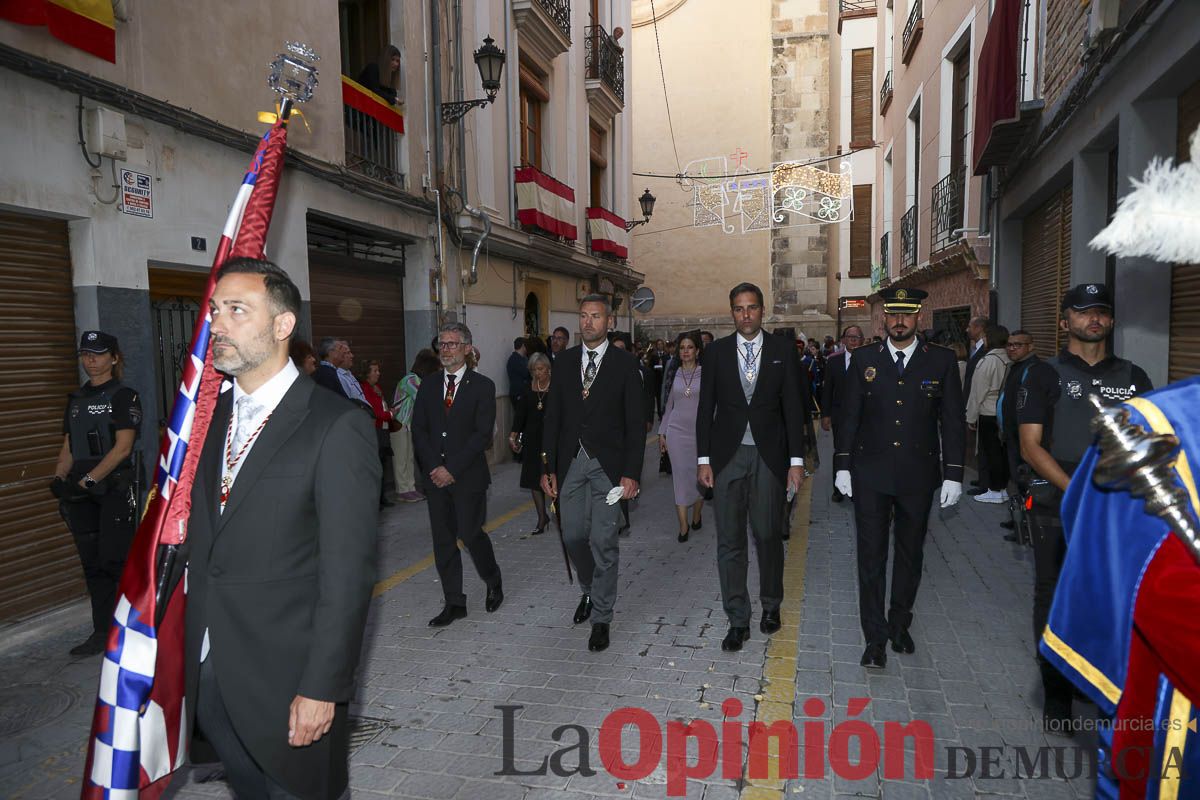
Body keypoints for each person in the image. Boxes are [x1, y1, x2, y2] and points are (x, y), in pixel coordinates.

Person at [185, 257, 379, 799]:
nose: (216, 325)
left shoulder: (337, 425)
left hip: (287, 681)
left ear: (282, 325)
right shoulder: (207, 422)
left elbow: (347, 577)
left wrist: (322, 689)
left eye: (236, 310)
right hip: (210, 672)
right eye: (215, 310)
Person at [1016, 282, 1152, 726]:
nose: (1093, 318)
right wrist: (1077, 490)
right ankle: (1055, 690)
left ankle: (1093, 681)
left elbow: (1146, 444)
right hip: (1059, 501)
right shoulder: (1042, 374)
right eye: (1082, 311)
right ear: (1064, 322)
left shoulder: (1134, 377)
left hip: (1115, 507)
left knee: (1108, 599)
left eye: (1101, 312)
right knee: (1055, 596)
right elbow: (1030, 446)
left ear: (1111, 321)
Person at [833, 287, 965, 669]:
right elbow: (849, 417)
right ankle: (874, 638)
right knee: (871, 558)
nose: (900, 321)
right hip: (870, 474)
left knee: (910, 556)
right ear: (884, 319)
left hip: (918, 475)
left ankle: (899, 623)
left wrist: (954, 473)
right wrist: (842, 465)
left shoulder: (939, 361)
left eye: (907, 315)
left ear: (919, 318)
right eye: (893, 315)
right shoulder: (864, 360)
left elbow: (952, 421)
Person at [696, 283, 807, 653]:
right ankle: (737, 619)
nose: (746, 315)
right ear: (732, 312)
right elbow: (704, 409)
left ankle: (771, 605)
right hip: (726, 457)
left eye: (752, 308)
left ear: (763, 310)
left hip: (768, 457)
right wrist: (703, 459)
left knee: (768, 535)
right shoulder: (715, 352)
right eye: (739, 308)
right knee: (729, 540)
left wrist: (795, 462)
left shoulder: (782, 350)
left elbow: (793, 407)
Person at [541, 295, 645, 652]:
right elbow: (552, 417)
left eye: (595, 316)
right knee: (572, 537)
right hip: (571, 462)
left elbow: (635, 422)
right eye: (583, 315)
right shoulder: (565, 361)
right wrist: (548, 467)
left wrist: (632, 472)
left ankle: (602, 616)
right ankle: (589, 588)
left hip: (608, 466)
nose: (588, 322)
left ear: (609, 321)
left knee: (604, 542)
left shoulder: (625, 364)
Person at [52, 330, 142, 656]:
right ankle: (102, 631)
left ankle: (134, 628)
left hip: (112, 489)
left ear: (114, 358)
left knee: (114, 560)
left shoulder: (124, 396)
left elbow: (123, 448)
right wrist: (60, 477)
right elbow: (69, 446)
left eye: (98, 353)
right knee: (92, 565)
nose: (91, 359)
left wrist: (89, 480)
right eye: (86, 353)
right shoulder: (76, 401)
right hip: (81, 493)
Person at [412, 323, 504, 627]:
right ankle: (454, 602)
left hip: (467, 477)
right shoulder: (427, 385)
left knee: (470, 533)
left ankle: (492, 579)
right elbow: (420, 430)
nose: (446, 350)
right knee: (443, 540)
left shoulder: (483, 386)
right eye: (442, 344)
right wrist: (433, 469)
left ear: (467, 348)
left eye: (452, 344)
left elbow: (481, 436)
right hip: (435, 478)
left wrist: (452, 469)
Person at [659, 332, 705, 543]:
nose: (685, 351)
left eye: (689, 347)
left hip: (699, 433)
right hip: (676, 432)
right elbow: (669, 405)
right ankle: (683, 525)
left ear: (697, 351)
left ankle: (696, 514)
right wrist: (662, 432)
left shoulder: (705, 373)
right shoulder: (673, 371)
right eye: (682, 348)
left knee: (698, 476)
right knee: (679, 476)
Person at [995, 330, 1038, 539]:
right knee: (1015, 479)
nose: (1012, 348)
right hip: (1011, 436)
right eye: (1009, 345)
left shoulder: (1033, 370)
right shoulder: (1016, 367)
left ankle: (1027, 526)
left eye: (1017, 345)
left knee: (1023, 481)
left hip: (1023, 437)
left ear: (1031, 346)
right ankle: (1018, 521)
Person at [965, 325, 1011, 505]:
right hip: (1003, 411)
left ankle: (995, 490)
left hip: (988, 412)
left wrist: (971, 417)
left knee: (991, 454)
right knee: (1001, 453)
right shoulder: (1009, 357)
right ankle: (1002, 489)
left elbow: (977, 392)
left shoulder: (988, 361)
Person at [820, 325, 865, 503]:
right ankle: (838, 489)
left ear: (862, 340)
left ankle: (857, 488)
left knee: (860, 452)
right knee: (840, 451)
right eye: (850, 336)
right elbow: (827, 390)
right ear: (843, 340)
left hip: (863, 416)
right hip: (840, 416)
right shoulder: (834, 361)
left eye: (857, 337)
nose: (853, 340)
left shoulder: (870, 361)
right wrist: (825, 415)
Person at [509, 352, 552, 535]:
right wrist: (513, 435)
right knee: (534, 479)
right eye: (534, 370)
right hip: (532, 438)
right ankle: (542, 517)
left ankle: (562, 516)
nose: (537, 373)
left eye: (541, 369)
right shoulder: (528, 388)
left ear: (548, 369)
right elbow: (520, 414)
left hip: (551, 438)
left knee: (553, 476)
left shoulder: (557, 387)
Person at [391, 349, 439, 503]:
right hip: (400, 423)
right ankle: (402, 490)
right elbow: (424, 398)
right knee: (401, 459)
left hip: (408, 424)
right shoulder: (410, 380)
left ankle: (410, 488)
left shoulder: (417, 379)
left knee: (409, 457)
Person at [358, 358, 395, 508]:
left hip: (383, 429)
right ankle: (375, 499)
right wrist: (391, 414)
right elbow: (377, 413)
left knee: (383, 464)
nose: (378, 374)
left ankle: (382, 497)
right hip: (375, 429)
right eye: (375, 371)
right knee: (376, 464)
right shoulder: (365, 389)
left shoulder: (375, 388)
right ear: (367, 374)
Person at [506, 337, 531, 409]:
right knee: (520, 418)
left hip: (524, 394)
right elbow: (527, 373)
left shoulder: (524, 358)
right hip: (518, 394)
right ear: (523, 346)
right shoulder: (514, 359)